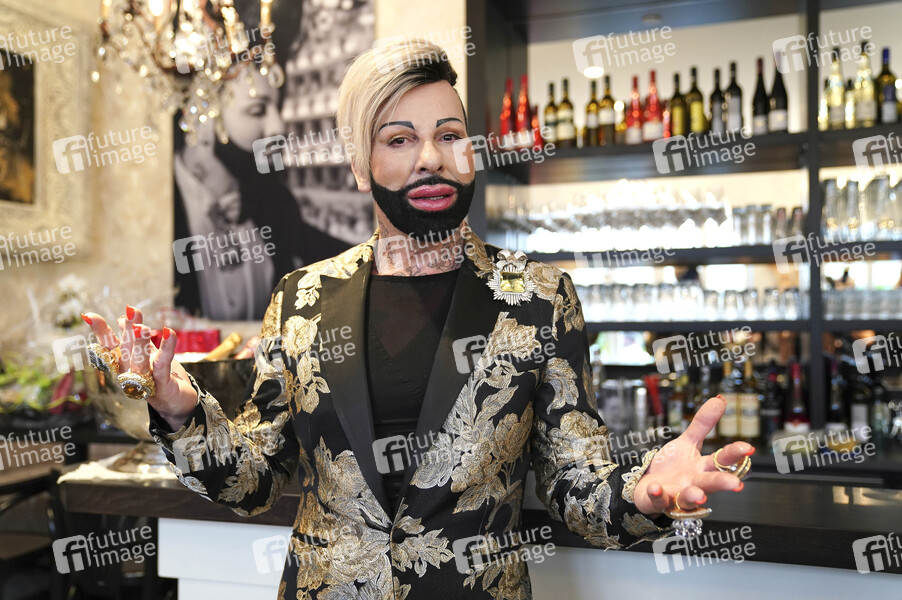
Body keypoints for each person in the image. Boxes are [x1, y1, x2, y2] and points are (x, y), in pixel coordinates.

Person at [83, 40, 753, 599]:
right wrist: (178, 409)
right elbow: (254, 479)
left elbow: (575, 481)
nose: (430, 157)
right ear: (360, 165)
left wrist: (644, 494)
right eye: (399, 138)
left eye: (449, 135)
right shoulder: (302, 299)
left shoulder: (539, 298)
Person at [173, 66, 348, 320]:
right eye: (257, 110)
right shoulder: (157, 209)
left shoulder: (274, 201)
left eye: (277, 108)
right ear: (203, 117)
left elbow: (335, 256)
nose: (277, 127)